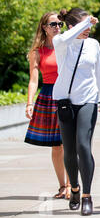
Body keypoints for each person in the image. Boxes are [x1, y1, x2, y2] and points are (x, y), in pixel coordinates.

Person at [53, 8, 100, 216]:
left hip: (88, 100)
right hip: (66, 102)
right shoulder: (62, 43)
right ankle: (74, 189)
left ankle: (87, 195)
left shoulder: (93, 45)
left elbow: (99, 73)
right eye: (85, 26)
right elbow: (64, 38)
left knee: (83, 145)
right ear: (71, 26)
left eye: (90, 26)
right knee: (68, 151)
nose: (89, 30)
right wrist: (86, 23)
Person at [24, 12, 71, 199]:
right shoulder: (37, 52)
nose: (57, 27)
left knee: (69, 143)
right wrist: (29, 102)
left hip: (68, 95)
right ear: (44, 27)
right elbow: (33, 80)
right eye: (53, 24)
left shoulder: (68, 46)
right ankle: (62, 186)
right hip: (49, 96)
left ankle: (71, 184)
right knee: (56, 146)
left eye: (60, 23)